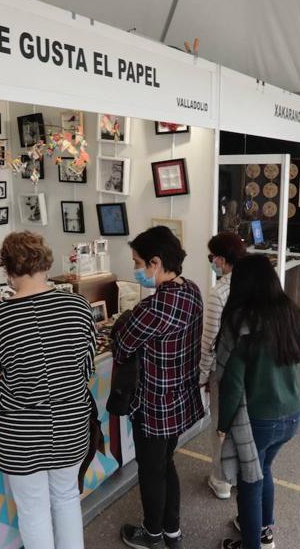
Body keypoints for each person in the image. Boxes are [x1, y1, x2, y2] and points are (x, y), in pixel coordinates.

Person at [0, 232, 96, 549]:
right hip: (70, 421)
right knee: (68, 497)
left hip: (20, 429)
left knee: (33, 510)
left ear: (7, 268)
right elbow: (87, 368)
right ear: (45, 262)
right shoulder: (78, 306)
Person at [117, 227, 204, 549]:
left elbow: (123, 345)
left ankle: (152, 533)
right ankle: (172, 531)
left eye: (138, 263)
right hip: (180, 399)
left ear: (156, 262)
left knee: (151, 471)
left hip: (153, 404)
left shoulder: (154, 308)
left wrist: (128, 319)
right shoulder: (191, 290)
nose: (137, 269)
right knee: (166, 464)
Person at [216, 254, 300, 549]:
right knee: (264, 469)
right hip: (291, 413)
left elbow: (232, 382)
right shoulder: (289, 311)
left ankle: (251, 544)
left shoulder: (240, 321)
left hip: (257, 419)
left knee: (249, 481)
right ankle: (264, 530)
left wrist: (222, 424)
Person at [200, 232, 247, 501]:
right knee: (244, 421)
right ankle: (240, 473)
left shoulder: (219, 291)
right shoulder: (256, 283)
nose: (212, 262)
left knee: (221, 425)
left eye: (211, 257)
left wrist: (203, 375)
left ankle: (221, 480)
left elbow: (210, 340)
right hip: (252, 366)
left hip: (226, 368)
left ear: (220, 258)